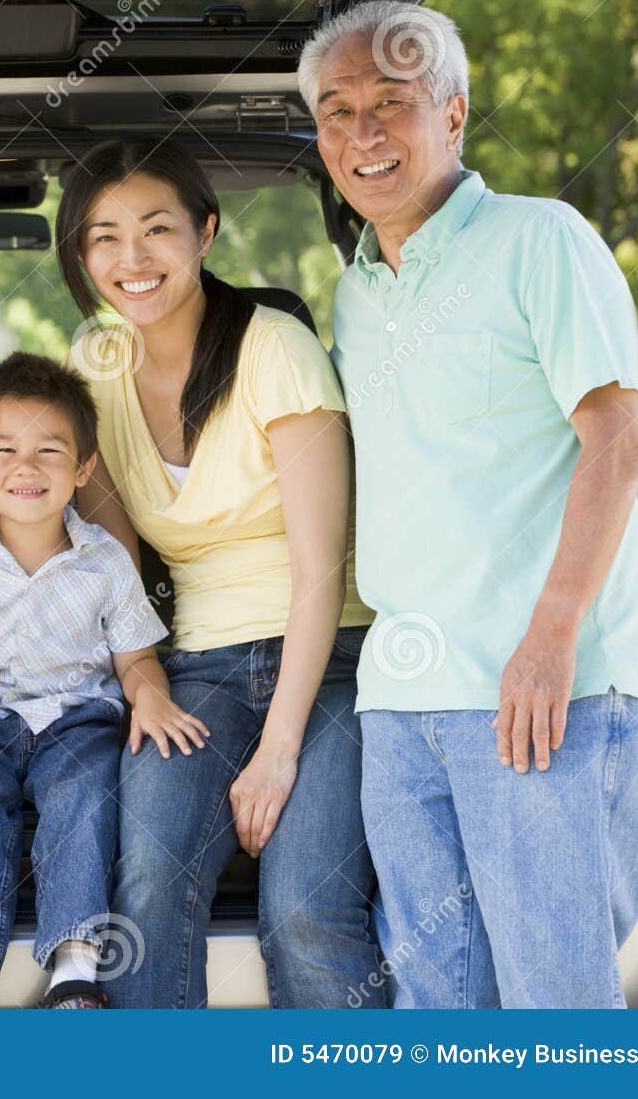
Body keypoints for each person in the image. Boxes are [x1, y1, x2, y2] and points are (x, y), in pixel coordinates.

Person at [301, 0, 638, 1007]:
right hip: (403, 701)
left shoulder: (541, 239)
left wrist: (549, 633)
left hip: (545, 693)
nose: (363, 134)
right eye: (337, 111)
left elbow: (619, 439)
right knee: (437, 1006)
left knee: (557, 1006)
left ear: (452, 114)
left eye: (391, 104)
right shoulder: (356, 291)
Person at [58, 137, 384, 1007]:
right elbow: (113, 558)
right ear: (81, 255)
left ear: (205, 232)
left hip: (333, 662)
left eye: (157, 229)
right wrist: (142, 675)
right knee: (151, 888)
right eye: (104, 238)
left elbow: (320, 568)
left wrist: (277, 751)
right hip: (199, 666)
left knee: (307, 908)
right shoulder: (91, 366)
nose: (133, 259)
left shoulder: (276, 348)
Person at [0, 352, 180, 1010]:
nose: (27, 466)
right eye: (7, 449)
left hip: (77, 718)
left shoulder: (105, 559)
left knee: (87, 798)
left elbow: (136, 656)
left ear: (83, 468)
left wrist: (150, 691)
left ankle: (75, 967)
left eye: (50, 450)